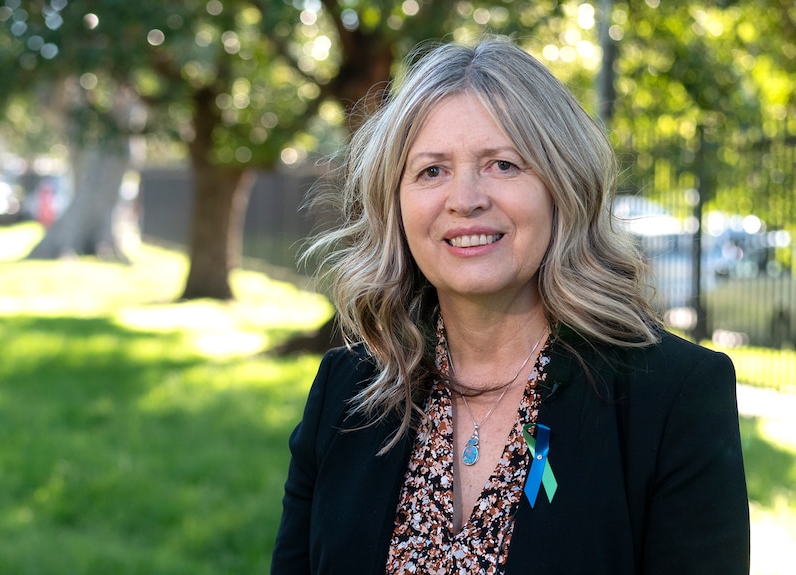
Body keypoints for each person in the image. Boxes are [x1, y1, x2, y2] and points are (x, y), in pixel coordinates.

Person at [271, 36, 750, 574]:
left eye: (502, 164)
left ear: (562, 186)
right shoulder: (346, 390)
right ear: (395, 204)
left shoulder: (673, 397)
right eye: (432, 170)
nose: (465, 198)